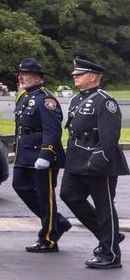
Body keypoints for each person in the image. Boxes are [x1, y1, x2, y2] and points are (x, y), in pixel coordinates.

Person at [60, 57, 128, 269]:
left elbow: (109, 136)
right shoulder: (76, 100)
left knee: (104, 208)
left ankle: (110, 255)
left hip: (99, 162)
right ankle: (108, 236)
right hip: (76, 160)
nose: (74, 77)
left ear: (92, 77)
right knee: (69, 196)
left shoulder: (104, 101)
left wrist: (97, 162)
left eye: (78, 74)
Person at [11, 58, 71, 253]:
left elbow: (53, 130)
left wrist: (45, 154)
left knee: (46, 198)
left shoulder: (46, 99)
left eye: (25, 74)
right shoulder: (23, 96)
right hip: (25, 154)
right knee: (19, 185)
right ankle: (58, 222)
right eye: (20, 73)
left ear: (37, 77)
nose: (21, 77)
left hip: (41, 155)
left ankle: (48, 238)